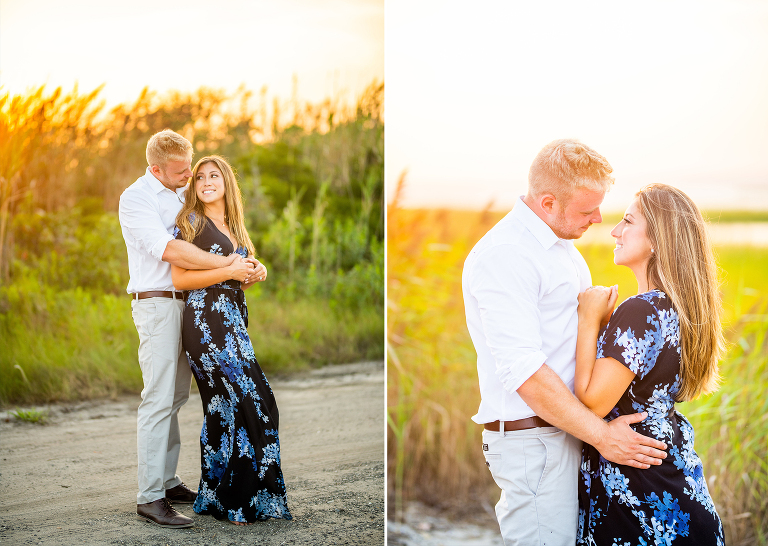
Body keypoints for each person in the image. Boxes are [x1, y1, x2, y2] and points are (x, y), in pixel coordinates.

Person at [462, 139, 668, 546]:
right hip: (534, 443)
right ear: (549, 202)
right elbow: (526, 374)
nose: (599, 219)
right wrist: (603, 436)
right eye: (587, 209)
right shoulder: (506, 255)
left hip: (566, 432)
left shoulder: (561, 249)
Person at [119, 130, 261, 529]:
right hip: (159, 303)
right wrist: (227, 268)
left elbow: (215, 236)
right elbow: (171, 250)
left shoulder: (182, 194)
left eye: (192, 168)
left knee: (177, 396)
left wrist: (246, 265)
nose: (191, 177)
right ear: (156, 169)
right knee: (159, 397)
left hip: (193, 308)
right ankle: (150, 498)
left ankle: (168, 481)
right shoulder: (136, 199)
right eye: (184, 172)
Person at [574, 184, 725, 544]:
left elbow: (593, 401)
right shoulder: (680, 308)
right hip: (676, 487)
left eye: (627, 221)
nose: (615, 231)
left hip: (641, 498)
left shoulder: (641, 310)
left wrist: (588, 321)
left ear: (657, 239)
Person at [171, 155, 292, 525]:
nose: (206, 181)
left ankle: (220, 498)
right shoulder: (191, 221)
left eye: (214, 175)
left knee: (228, 408)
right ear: (194, 185)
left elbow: (241, 269)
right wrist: (228, 269)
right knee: (251, 401)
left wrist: (258, 269)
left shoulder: (234, 224)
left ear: (226, 182)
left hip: (234, 323)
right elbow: (180, 279)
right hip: (206, 324)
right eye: (200, 177)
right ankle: (238, 500)